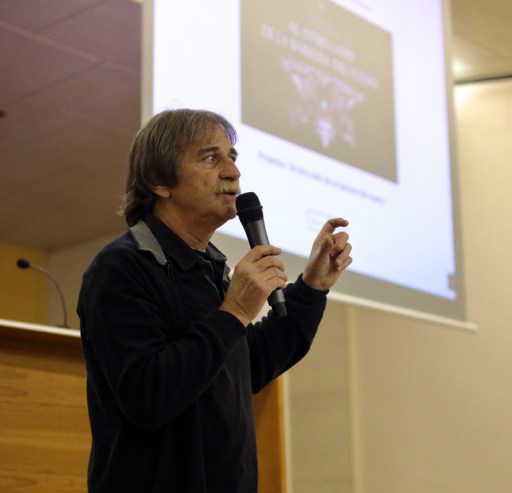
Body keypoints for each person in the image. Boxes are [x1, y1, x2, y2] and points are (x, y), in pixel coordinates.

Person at [77, 108, 352, 492]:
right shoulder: (122, 266)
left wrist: (311, 287)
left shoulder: (210, 267)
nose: (233, 171)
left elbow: (248, 366)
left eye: (232, 157)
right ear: (159, 180)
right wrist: (234, 312)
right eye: (210, 157)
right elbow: (146, 396)